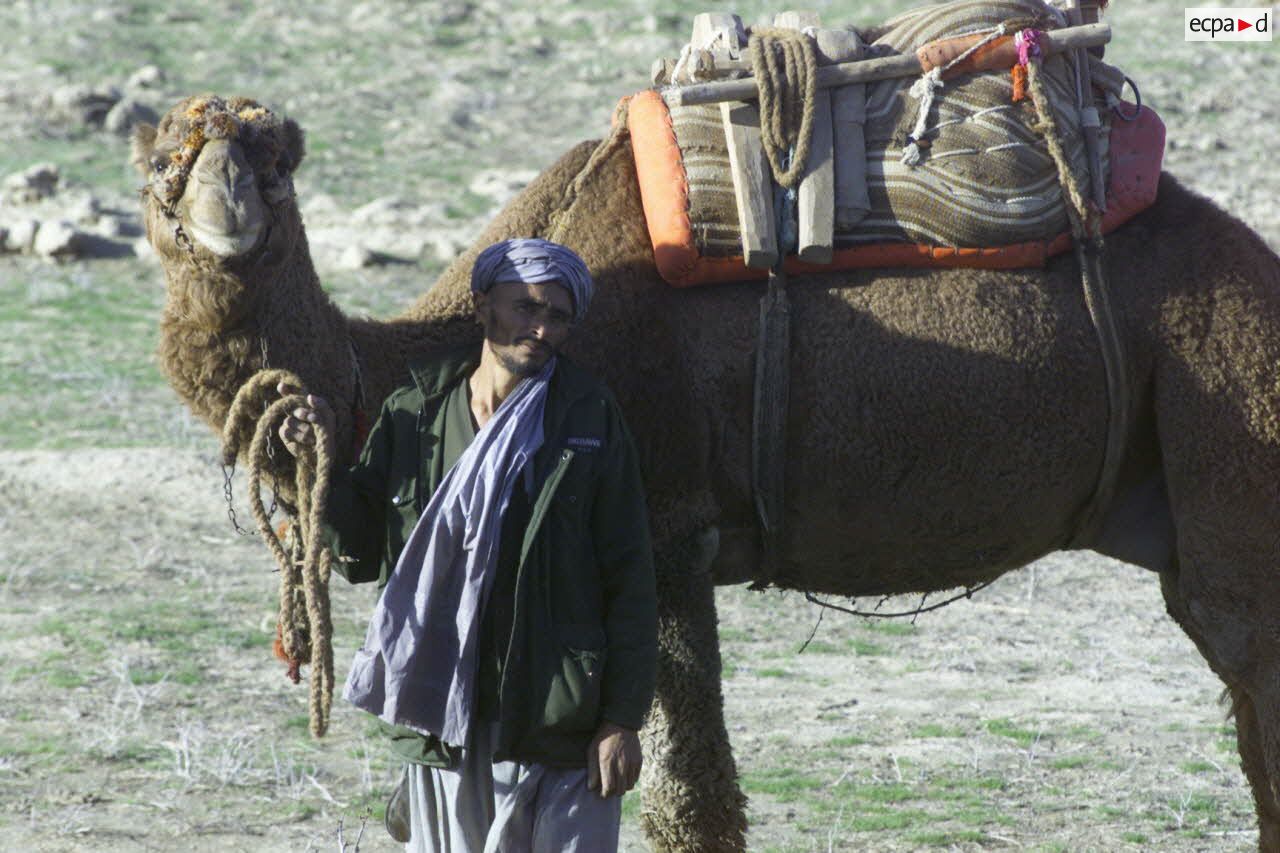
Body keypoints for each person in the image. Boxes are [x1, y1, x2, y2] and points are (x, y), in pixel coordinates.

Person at [277, 238, 657, 852]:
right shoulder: (416, 412)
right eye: (523, 308)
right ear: (483, 307)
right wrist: (308, 470)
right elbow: (363, 550)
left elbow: (631, 575)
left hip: (558, 715)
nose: (538, 328)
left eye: (557, 316)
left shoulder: (589, 418)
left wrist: (622, 720)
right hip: (443, 713)